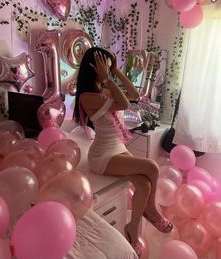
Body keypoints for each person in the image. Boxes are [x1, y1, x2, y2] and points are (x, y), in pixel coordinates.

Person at [73, 47, 173, 258]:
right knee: (152, 167)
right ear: (95, 69)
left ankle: (132, 230)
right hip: (103, 156)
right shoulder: (86, 97)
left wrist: (116, 71)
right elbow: (125, 103)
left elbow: (135, 95)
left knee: (144, 184)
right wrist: (108, 79)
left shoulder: (107, 89)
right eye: (105, 67)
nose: (108, 71)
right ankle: (151, 210)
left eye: (110, 67)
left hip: (118, 148)